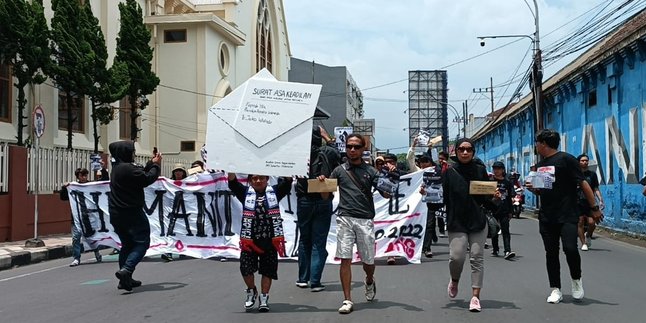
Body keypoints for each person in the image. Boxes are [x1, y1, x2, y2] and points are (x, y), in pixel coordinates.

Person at [317, 133, 393, 314]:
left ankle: (369, 279)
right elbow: (325, 196)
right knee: (345, 259)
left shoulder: (372, 172)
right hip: (344, 218)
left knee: (368, 261)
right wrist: (323, 184)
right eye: (349, 146)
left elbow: (387, 194)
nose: (352, 150)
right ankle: (347, 299)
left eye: (356, 147)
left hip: (365, 219)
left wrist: (388, 177)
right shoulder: (338, 170)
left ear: (363, 149)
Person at [525, 129, 603, 304]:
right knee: (551, 253)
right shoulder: (540, 165)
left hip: (567, 214)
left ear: (543, 143)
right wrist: (532, 188)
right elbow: (541, 191)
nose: (536, 146)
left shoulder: (566, 159)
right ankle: (555, 289)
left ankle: (576, 281)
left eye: (537, 143)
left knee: (570, 249)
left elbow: (583, 183)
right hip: (547, 216)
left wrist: (594, 208)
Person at [443, 138, 500, 312]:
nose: (465, 152)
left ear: (473, 152)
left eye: (469, 149)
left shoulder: (480, 170)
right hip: (457, 221)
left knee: (476, 257)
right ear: (456, 152)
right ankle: (454, 279)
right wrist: (426, 193)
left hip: (477, 220)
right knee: (457, 257)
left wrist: (494, 197)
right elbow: (441, 197)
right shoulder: (449, 172)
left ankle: (475, 296)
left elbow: (484, 197)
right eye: (462, 149)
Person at [228, 173, 293, 312]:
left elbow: (287, 184)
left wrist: (290, 166)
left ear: (267, 179)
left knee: (268, 270)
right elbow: (233, 183)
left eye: (261, 178)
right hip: (249, 240)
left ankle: (264, 297)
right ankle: (251, 291)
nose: (258, 181)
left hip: (270, 239)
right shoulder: (245, 193)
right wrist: (230, 165)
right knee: (245, 269)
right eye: (254, 178)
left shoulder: (274, 192)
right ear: (250, 181)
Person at [108, 141, 161, 292]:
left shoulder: (118, 168)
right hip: (132, 213)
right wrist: (156, 165)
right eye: (132, 151)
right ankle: (127, 269)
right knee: (142, 243)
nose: (134, 154)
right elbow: (146, 179)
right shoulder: (127, 168)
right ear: (125, 152)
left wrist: (151, 162)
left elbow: (140, 174)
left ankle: (126, 280)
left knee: (127, 244)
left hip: (117, 214)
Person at [295, 126, 340, 292]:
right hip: (323, 198)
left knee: (304, 240)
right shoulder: (327, 151)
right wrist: (327, 137)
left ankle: (302, 278)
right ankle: (315, 281)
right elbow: (339, 154)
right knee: (319, 242)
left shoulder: (297, 154)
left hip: (304, 200)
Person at [60, 168, 103, 267]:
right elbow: (63, 198)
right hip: (77, 217)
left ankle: (96, 252)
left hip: (89, 217)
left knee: (91, 237)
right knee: (76, 238)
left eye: (85, 175)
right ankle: (76, 258)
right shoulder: (73, 187)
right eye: (82, 175)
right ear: (78, 176)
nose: (84, 177)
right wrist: (64, 187)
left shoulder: (90, 186)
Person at [576, 154, 604, 251]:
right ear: (578, 162)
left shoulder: (592, 175)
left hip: (589, 202)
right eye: (582, 160)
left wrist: (600, 199)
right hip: (578, 202)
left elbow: (595, 188)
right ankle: (583, 243)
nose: (585, 162)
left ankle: (588, 235)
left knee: (592, 223)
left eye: (586, 160)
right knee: (580, 222)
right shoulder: (575, 174)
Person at [161, 163, 188, 262]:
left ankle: (184, 250)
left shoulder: (189, 183)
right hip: (172, 211)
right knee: (170, 232)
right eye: (176, 171)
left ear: (183, 172)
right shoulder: (169, 183)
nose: (178, 173)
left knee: (184, 231)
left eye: (180, 171)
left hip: (186, 212)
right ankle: (168, 252)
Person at [490, 161, 516, 260]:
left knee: (505, 231)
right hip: (493, 209)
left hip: (504, 210)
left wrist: (511, 211)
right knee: (494, 230)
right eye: (495, 169)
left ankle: (507, 250)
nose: (496, 171)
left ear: (502, 170)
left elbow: (510, 198)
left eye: (498, 169)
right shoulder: (490, 181)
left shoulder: (507, 183)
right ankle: (495, 248)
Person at [382, 153, 401, 265]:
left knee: (395, 229)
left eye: (390, 162)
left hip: (399, 208)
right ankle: (390, 252)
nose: (388, 164)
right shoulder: (378, 173)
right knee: (386, 229)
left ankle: (392, 252)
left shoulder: (402, 174)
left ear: (396, 163)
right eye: (385, 162)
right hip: (383, 208)